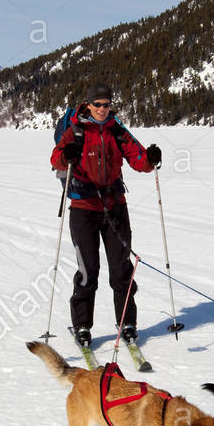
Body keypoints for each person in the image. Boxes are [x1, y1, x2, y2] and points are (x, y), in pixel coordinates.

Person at [50, 82, 162, 348]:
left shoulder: (117, 131)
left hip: (115, 208)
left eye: (106, 104)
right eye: (97, 104)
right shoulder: (76, 130)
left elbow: (138, 160)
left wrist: (151, 158)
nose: (102, 109)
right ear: (88, 105)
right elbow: (56, 160)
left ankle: (127, 322)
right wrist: (67, 155)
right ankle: (82, 326)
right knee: (88, 270)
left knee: (122, 269)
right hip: (83, 208)